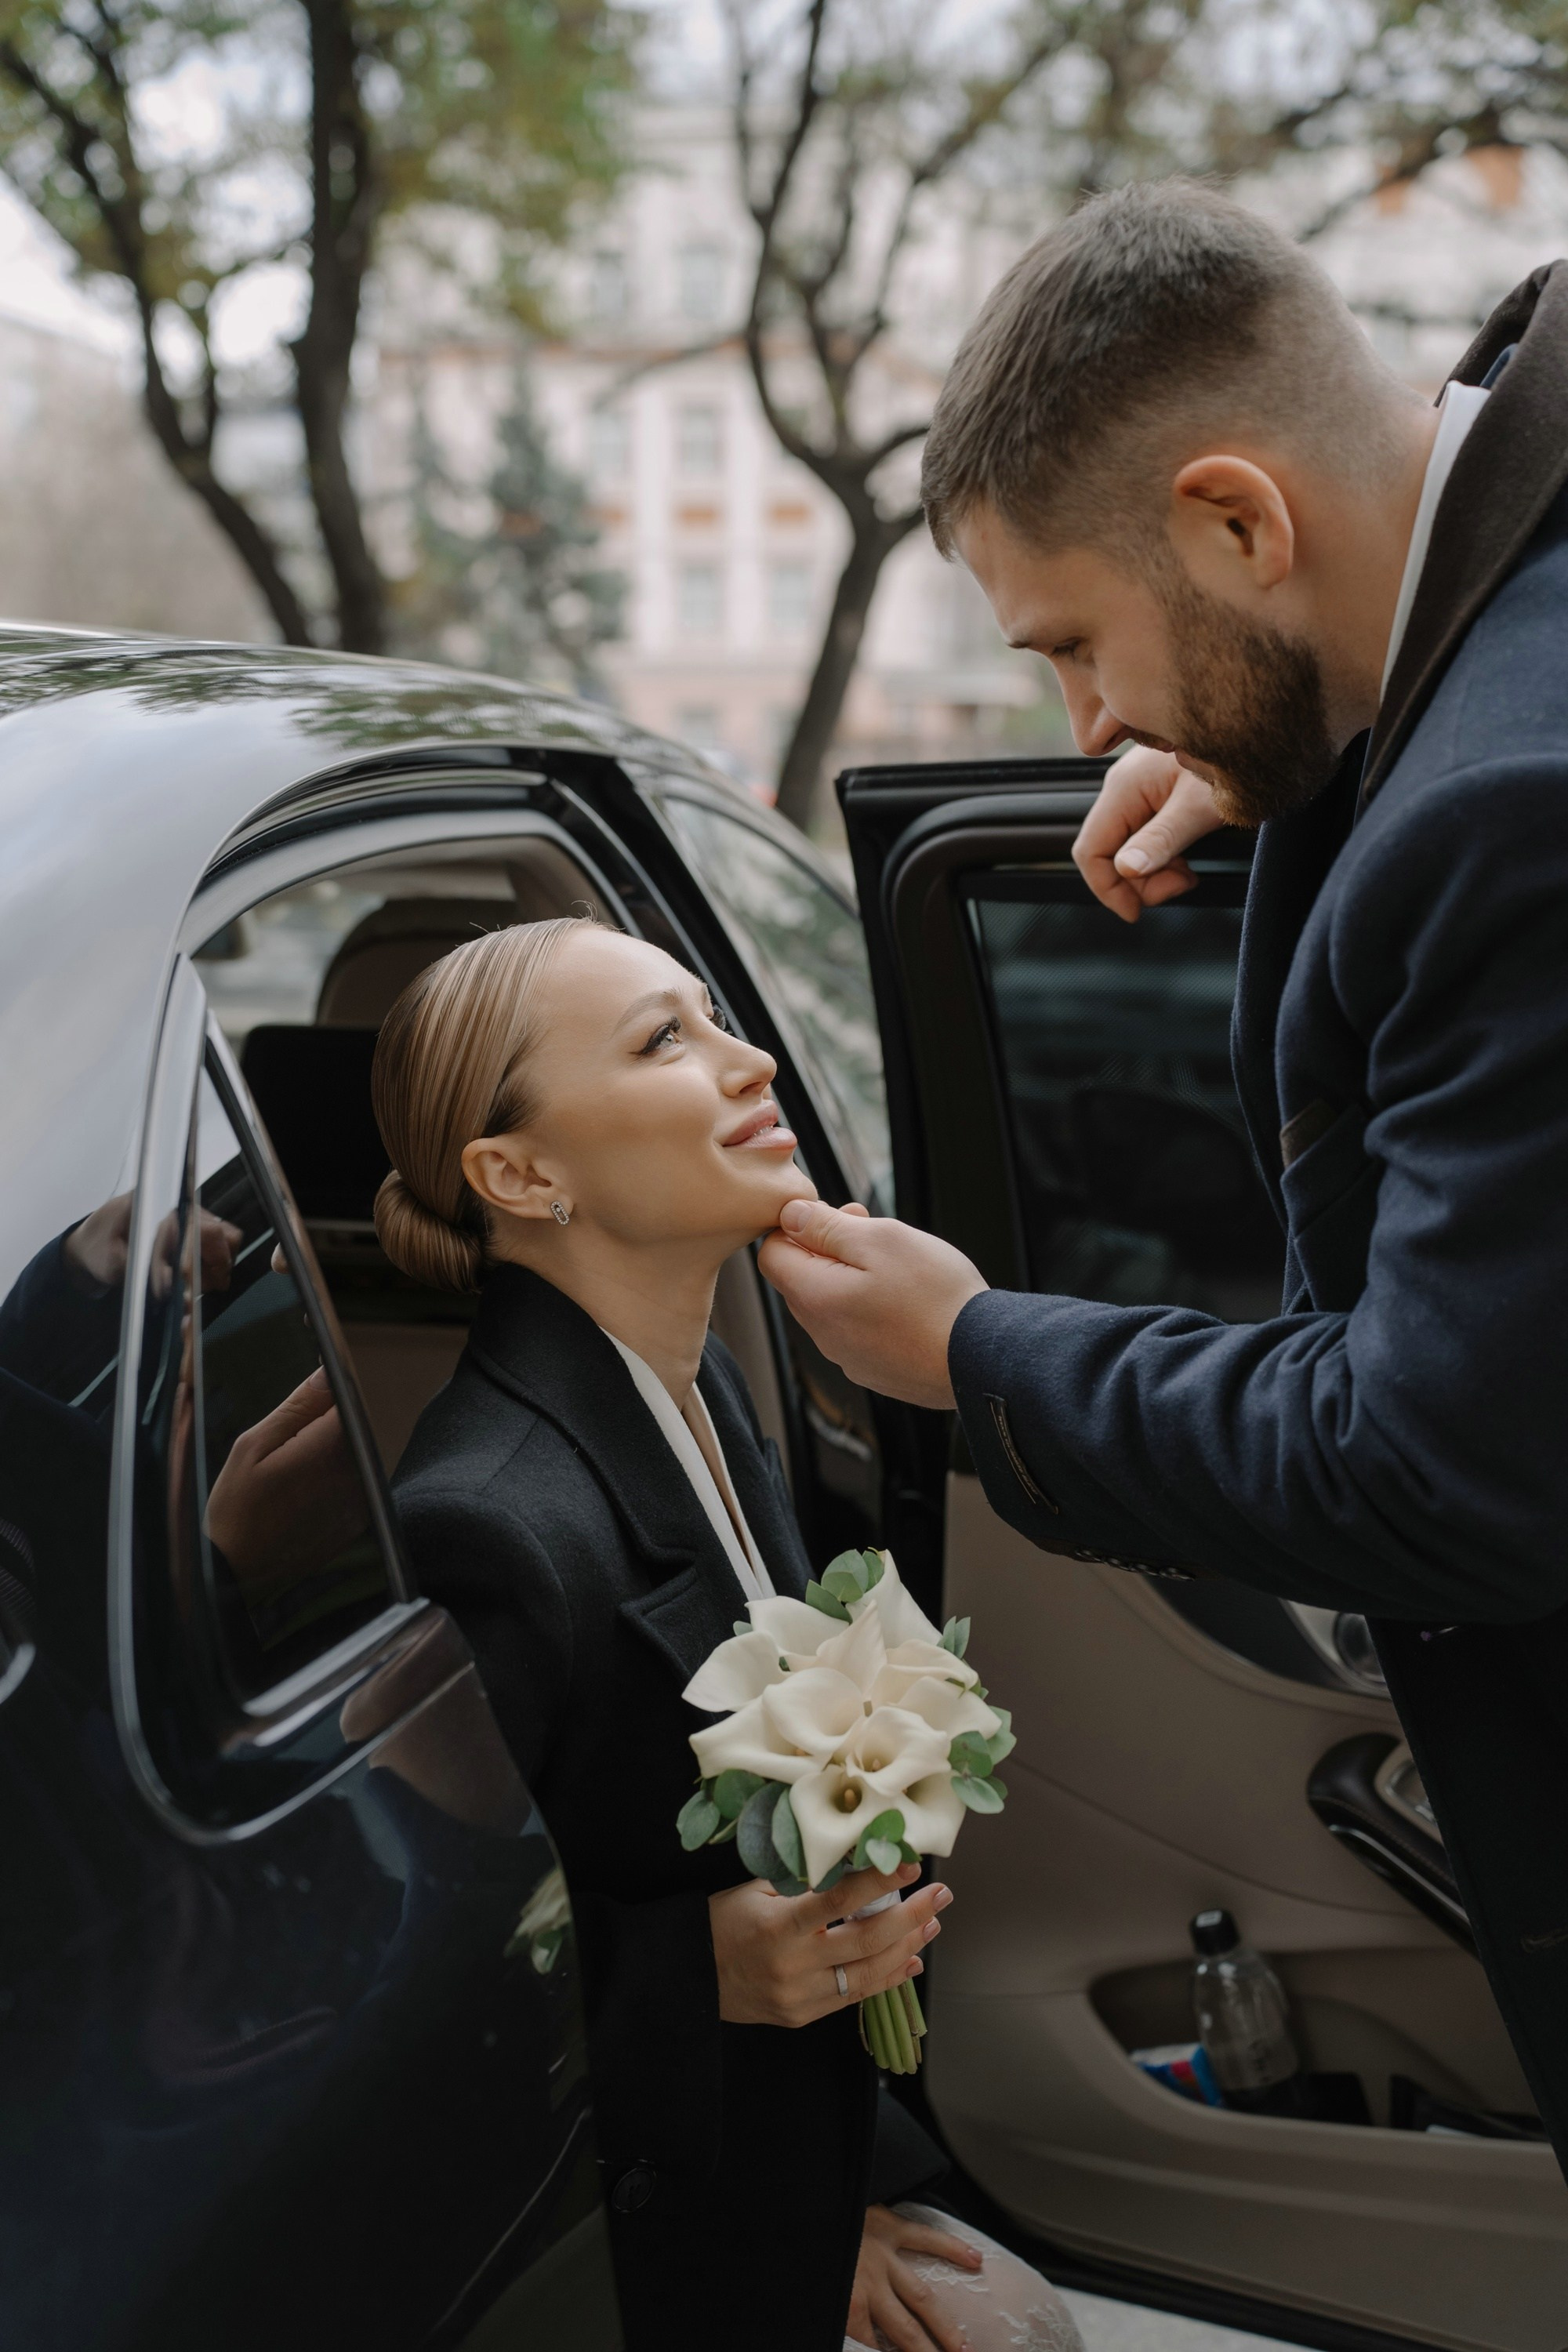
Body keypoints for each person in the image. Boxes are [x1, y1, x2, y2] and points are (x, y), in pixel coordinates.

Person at [757, 180, 1568, 2169]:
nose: (1089, 724)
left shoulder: (1510, 811)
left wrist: (974, 1351)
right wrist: (1302, 732)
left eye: (1076, 647)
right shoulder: (1467, 646)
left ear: (1236, 522)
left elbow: (1434, 1468)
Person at [370, 917, 1083, 2352]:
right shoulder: (491, 1528)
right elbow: (412, 2019)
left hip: (791, 2169)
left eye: (715, 1020)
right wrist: (689, 1975)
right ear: (519, 1175)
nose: (753, 1059)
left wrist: (858, 2198)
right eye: (665, 1040)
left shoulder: (705, 1399)